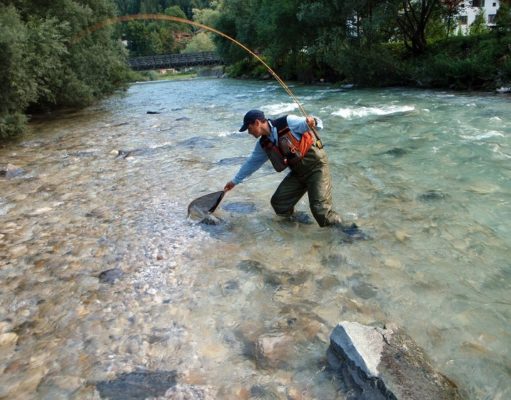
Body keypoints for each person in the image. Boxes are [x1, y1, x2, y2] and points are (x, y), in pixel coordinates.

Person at [224, 109, 359, 232]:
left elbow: (318, 124)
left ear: (257, 123)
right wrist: (235, 181)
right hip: (298, 173)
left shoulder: (287, 122)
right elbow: (251, 163)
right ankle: (298, 223)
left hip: (317, 167)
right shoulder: (263, 144)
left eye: (249, 128)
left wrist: (314, 121)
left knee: (320, 210)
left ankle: (347, 232)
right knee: (279, 202)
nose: (249, 132)